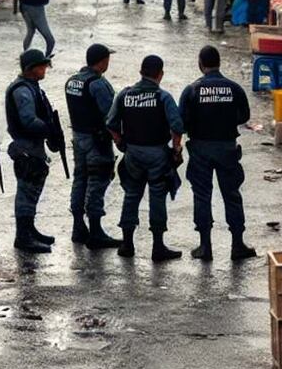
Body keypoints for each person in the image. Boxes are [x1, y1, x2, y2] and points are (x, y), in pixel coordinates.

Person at [179, 46, 255, 261]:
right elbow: (244, 116)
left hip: (201, 149)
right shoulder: (234, 88)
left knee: (202, 195)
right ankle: (238, 245)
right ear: (219, 62)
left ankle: (205, 246)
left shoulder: (192, 90)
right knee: (232, 195)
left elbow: (181, 122)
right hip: (227, 148)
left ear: (200, 64)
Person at [106, 54, 185, 262]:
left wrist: (121, 143)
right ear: (160, 75)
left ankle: (127, 244)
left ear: (141, 72)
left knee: (131, 194)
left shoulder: (125, 95)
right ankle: (158, 247)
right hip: (157, 153)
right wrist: (176, 150)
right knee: (157, 196)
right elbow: (177, 127)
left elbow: (111, 124)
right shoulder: (163, 97)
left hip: (132, 153)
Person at [66, 44, 123, 249]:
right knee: (97, 182)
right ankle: (96, 231)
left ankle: (78, 227)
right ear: (102, 61)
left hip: (78, 138)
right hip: (97, 141)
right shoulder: (98, 84)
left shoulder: (72, 81)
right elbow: (111, 115)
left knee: (80, 180)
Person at [5, 49, 57, 253]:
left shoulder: (31, 87)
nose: (45, 69)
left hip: (33, 145)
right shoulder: (23, 90)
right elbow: (28, 120)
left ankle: (29, 230)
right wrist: (48, 129)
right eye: (42, 66)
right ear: (31, 69)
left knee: (32, 190)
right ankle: (23, 236)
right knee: (26, 191)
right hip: (26, 146)